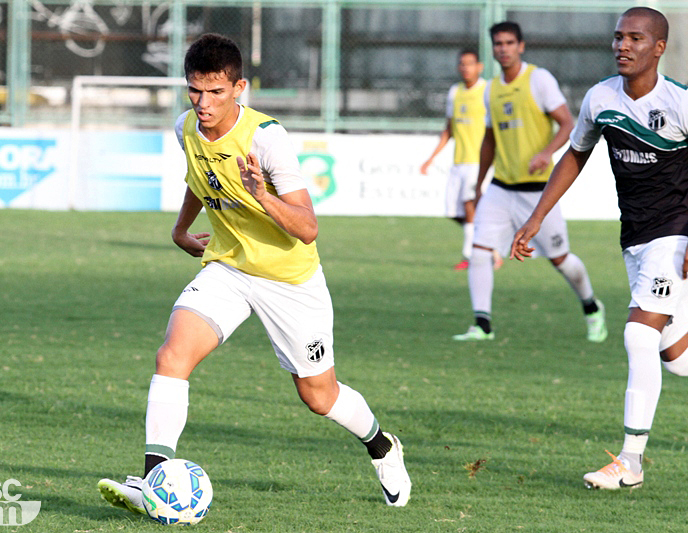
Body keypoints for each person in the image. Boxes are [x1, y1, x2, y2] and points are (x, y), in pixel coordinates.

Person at [97, 33, 411, 510]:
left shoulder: (267, 139)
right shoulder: (186, 127)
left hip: (289, 280)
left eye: (216, 92)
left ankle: (382, 446)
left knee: (318, 396)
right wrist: (182, 229)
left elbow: (307, 228)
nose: (204, 103)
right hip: (229, 267)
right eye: (195, 90)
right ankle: (153, 482)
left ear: (239, 87)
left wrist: (262, 195)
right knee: (171, 356)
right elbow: (200, 181)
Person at [512, 7, 688, 489]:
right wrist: (536, 216)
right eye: (618, 37)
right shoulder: (601, 97)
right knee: (676, 358)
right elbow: (575, 154)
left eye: (635, 38)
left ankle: (630, 463)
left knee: (637, 335)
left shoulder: (680, 102)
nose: (623, 46)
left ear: (659, 48)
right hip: (636, 236)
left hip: (677, 233)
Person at [453, 21, 607, 343]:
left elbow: (568, 123)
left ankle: (592, 308)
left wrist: (546, 152)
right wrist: (480, 185)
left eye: (509, 42)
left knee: (561, 259)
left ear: (520, 46)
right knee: (480, 251)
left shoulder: (539, 79)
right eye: (498, 43)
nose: (503, 48)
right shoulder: (491, 89)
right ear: (493, 48)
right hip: (501, 187)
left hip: (538, 192)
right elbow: (489, 140)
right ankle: (482, 324)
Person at [421, 49, 492, 271]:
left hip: (477, 161)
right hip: (458, 162)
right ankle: (491, 247)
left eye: (470, 64)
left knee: (469, 207)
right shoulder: (455, 92)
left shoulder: (487, 91)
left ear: (479, 66)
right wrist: (431, 158)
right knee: (454, 212)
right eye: (462, 64)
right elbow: (449, 129)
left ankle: (471, 256)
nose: (465, 68)